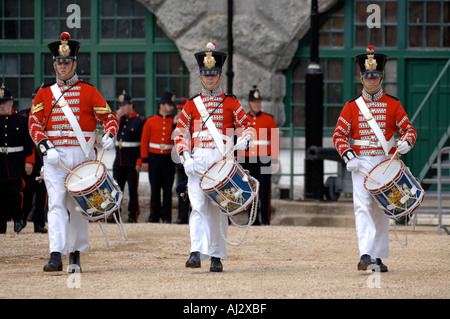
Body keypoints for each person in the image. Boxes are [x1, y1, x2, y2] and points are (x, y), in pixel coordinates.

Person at [28, 32, 118, 272]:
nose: (63, 66)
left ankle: (75, 252)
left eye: (67, 62)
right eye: (59, 62)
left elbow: (109, 118)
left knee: (79, 206)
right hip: (54, 157)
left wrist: (110, 134)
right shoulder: (44, 93)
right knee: (56, 203)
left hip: (82, 155)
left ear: (74, 63)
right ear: (54, 63)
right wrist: (46, 147)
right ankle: (56, 254)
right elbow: (34, 123)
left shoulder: (89, 91)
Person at [333, 45, 417, 272]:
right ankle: (365, 253)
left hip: (385, 161)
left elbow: (409, 129)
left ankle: (377, 257)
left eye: (375, 76)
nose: (371, 80)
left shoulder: (393, 104)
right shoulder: (351, 106)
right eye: (367, 76)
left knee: (382, 209)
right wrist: (348, 155)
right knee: (361, 206)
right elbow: (339, 134)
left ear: (381, 76)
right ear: (361, 76)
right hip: (360, 161)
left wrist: (406, 142)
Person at [173, 42, 256, 272]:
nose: (210, 79)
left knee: (220, 209)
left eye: (214, 74)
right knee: (197, 206)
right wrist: (185, 156)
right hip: (197, 160)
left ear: (219, 75)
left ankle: (217, 256)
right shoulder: (191, 104)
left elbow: (248, 125)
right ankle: (195, 252)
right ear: (201, 76)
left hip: (222, 161)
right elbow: (180, 133)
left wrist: (246, 138)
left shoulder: (231, 102)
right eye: (206, 74)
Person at [240, 86, 278, 225]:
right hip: (249, 159)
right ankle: (252, 220)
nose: (257, 104)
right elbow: (240, 141)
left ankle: (266, 220)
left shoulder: (269, 119)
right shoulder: (244, 120)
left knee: (265, 190)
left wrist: (274, 160)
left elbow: (274, 140)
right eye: (254, 102)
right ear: (249, 104)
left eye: (259, 102)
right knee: (250, 190)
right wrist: (240, 161)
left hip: (265, 158)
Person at [0, 84, 35, 234]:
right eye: (0, 103)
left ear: (11, 102)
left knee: (17, 193)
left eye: (5, 102)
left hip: (17, 162)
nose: (2, 105)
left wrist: (29, 161)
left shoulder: (21, 119)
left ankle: (18, 218)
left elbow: (29, 143)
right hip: (0, 163)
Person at [141, 91, 176, 223]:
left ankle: (166, 216)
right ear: (161, 105)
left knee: (168, 189)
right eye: (169, 104)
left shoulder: (173, 122)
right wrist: (144, 160)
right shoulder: (150, 121)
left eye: (172, 105)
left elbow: (177, 142)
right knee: (154, 188)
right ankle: (154, 215)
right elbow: (144, 141)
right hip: (154, 158)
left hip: (168, 159)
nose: (171, 107)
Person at [19, 86, 48, 233]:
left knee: (43, 195)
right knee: (26, 192)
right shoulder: (24, 116)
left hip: (45, 161)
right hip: (27, 162)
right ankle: (22, 219)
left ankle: (39, 223)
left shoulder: (49, 117)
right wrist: (27, 160)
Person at [112, 91, 145, 223]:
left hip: (132, 161)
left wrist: (139, 160)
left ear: (131, 105)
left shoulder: (138, 121)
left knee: (132, 190)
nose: (121, 108)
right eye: (120, 105)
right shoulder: (119, 121)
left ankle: (133, 214)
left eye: (124, 105)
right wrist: (116, 120)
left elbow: (141, 143)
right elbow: (111, 135)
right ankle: (115, 213)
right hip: (118, 159)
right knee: (116, 188)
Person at [174, 97, 191, 224]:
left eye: (182, 110)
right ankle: (182, 216)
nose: (180, 112)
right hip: (181, 161)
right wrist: (174, 125)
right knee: (182, 190)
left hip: (193, 159)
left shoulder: (193, 121)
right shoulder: (176, 122)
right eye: (179, 110)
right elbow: (173, 140)